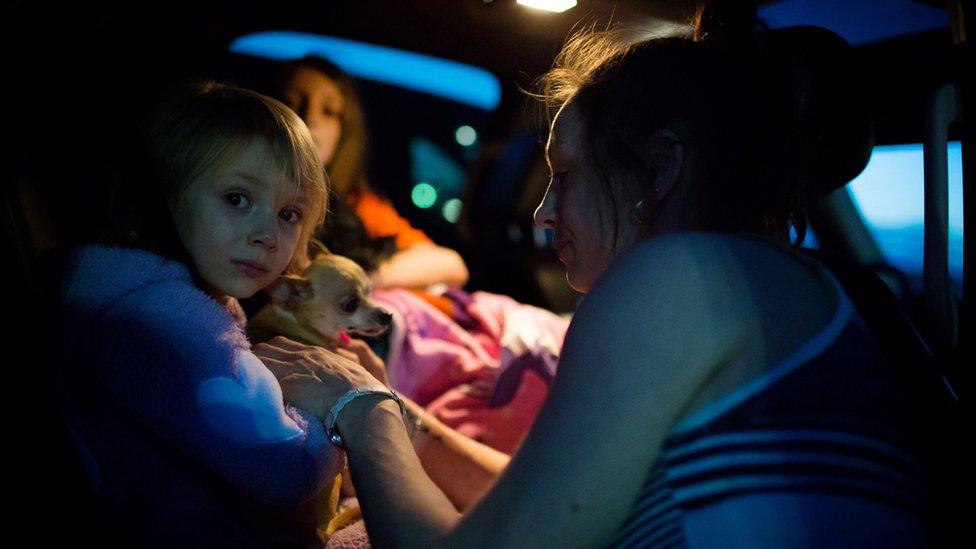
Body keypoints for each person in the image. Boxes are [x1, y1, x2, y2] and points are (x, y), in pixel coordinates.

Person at [253, 2, 938, 547]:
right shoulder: (772, 284)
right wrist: (397, 409)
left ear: (661, 169)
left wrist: (356, 409)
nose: (545, 215)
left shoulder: (676, 277)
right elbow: (541, 501)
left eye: (566, 177)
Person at [54, 82, 340, 546]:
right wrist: (338, 414)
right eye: (237, 199)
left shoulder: (164, 291)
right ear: (165, 194)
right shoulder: (161, 321)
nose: (268, 234)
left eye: (289, 213)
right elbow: (288, 469)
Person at [274, 56, 468, 290]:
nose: (310, 116)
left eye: (328, 111)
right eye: (290, 102)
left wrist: (357, 279)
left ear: (344, 132)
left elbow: (450, 264)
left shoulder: (358, 205)